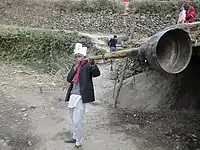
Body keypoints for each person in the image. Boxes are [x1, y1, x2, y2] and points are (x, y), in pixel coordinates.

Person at [65, 43, 100, 150]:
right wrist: (74, 69)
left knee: (77, 120)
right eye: (76, 57)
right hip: (73, 95)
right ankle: (75, 137)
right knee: (72, 117)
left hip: (81, 96)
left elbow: (96, 74)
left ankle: (79, 142)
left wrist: (93, 65)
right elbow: (69, 79)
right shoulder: (75, 66)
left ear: (83, 57)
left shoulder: (87, 65)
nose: (77, 58)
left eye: (79, 56)